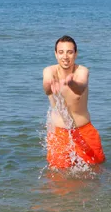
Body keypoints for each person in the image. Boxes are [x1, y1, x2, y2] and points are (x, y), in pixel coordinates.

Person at [42, 35, 106, 169]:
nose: (65, 56)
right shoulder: (49, 71)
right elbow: (47, 88)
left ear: (75, 54)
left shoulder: (82, 71)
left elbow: (80, 88)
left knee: (96, 171)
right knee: (59, 177)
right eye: (61, 52)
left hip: (84, 131)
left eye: (69, 52)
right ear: (56, 54)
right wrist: (50, 84)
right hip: (59, 134)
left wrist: (71, 82)